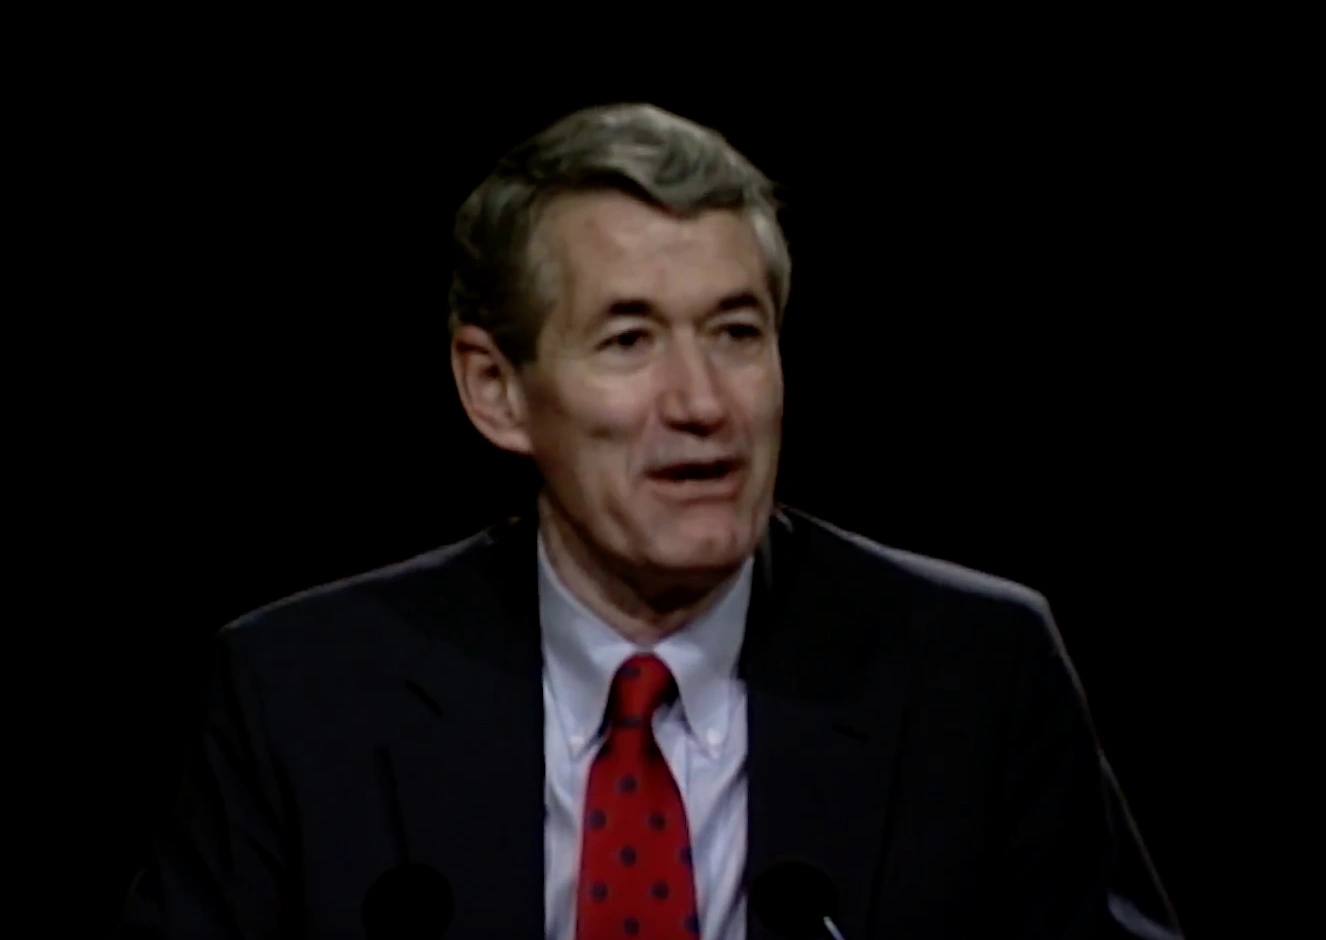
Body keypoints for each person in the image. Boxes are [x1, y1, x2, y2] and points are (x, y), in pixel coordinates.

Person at [117, 103, 1182, 939]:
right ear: (495, 388)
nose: (703, 403)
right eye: (629, 340)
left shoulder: (976, 675)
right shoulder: (302, 698)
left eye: (735, 331)